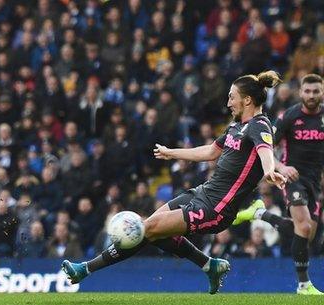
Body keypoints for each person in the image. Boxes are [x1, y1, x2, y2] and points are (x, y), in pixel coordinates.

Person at [63, 71, 286, 293]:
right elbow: (210, 151)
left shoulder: (259, 125)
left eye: (231, 97)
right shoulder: (236, 126)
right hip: (202, 192)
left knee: (146, 229)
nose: (228, 103)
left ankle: (85, 269)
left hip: (216, 208)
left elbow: (265, 150)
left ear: (247, 100)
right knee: (153, 225)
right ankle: (210, 265)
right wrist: (172, 153)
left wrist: (269, 171)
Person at [232, 73, 324, 294]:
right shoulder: (289, 117)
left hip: (314, 181)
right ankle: (304, 285)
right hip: (291, 178)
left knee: (306, 233)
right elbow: (265, 145)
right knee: (303, 226)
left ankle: (260, 214)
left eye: (316, 91)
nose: (311, 95)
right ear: (300, 92)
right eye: (307, 91)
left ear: (322, 92)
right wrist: (281, 168)